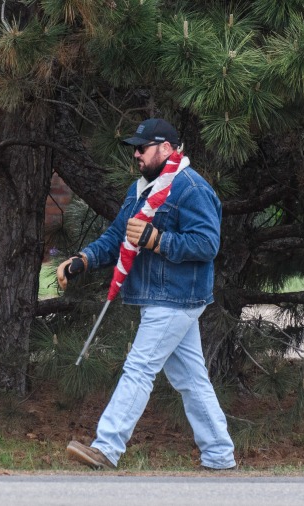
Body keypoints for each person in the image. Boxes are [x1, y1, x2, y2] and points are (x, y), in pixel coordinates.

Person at [56, 118, 236, 471]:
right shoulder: (141, 189)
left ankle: (106, 447)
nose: (136, 153)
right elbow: (118, 236)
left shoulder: (190, 188)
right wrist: (83, 259)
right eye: (134, 147)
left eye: (142, 147)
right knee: (190, 379)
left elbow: (206, 244)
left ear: (166, 148)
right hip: (161, 296)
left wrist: (156, 239)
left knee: (138, 367)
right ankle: (219, 454)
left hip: (177, 297)